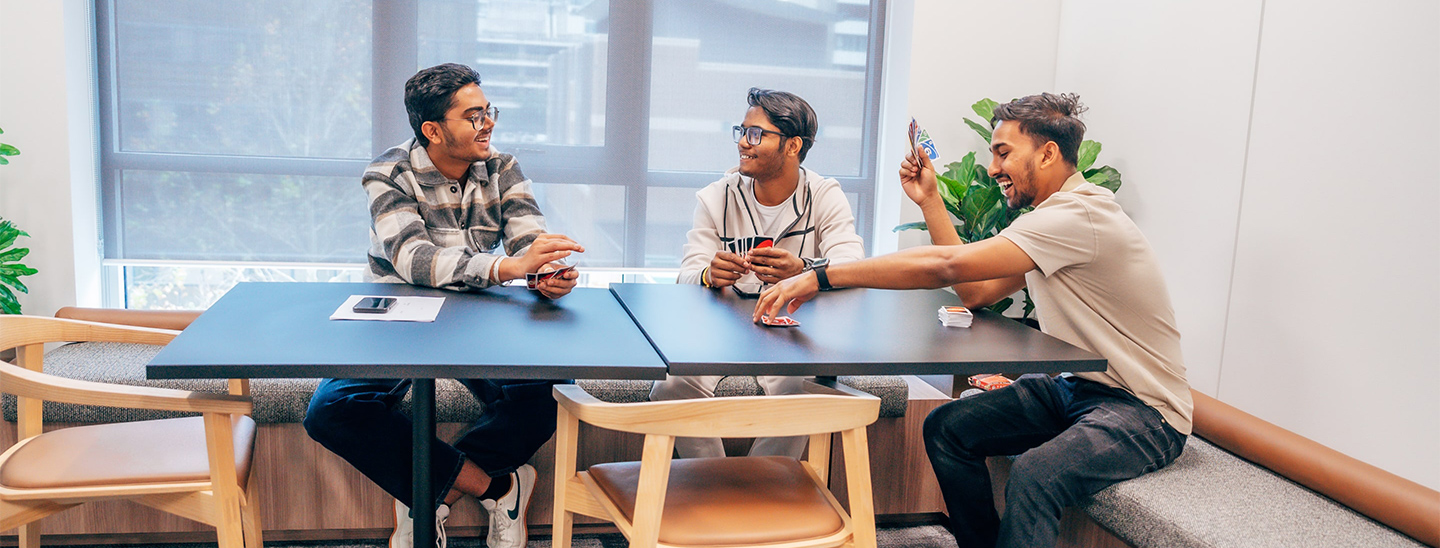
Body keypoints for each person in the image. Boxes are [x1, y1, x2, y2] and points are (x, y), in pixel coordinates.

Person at [754, 93, 1191, 548]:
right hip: (1076, 388)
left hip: (1144, 412)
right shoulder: (1051, 220)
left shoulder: (1079, 215)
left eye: (1004, 152)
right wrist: (930, 201)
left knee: (1035, 474)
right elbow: (976, 291)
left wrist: (819, 275)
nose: (993, 167)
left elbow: (945, 267)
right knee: (948, 428)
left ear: (1047, 153)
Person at [304, 63, 584, 548]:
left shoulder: (502, 166)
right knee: (331, 411)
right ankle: (499, 486)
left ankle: (427, 496)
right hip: (397, 318)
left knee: (551, 394)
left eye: (488, 111)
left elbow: (527, 240)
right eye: (473, 116)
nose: (488, 124)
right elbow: (413, 259)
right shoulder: (387, 173)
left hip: (479, 316)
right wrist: (508, 269)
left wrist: (545, 272)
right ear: (432, 130)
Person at [649, 87, 865, 459]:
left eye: (755, 134)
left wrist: (803, 269)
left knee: (802, 395)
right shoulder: (717, 196)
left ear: (793, 146)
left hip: (794, 334)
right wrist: (708, 274)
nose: (742, 144)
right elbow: (686, 276)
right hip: (719, 330)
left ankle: (761, 488)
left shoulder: (824, 195)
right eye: (742, 131)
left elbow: (851, 267)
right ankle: (715, 485)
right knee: (669, 388)